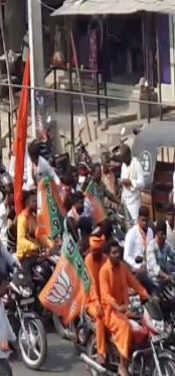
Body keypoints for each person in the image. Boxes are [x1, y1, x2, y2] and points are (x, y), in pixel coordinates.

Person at [100, 239, 150, 376]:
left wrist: (148, 296)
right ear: (108, 254)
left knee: (144, 326)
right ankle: (122, 366)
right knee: (125, 327)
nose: (117, 254)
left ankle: (138, 359)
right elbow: (106, 296)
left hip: (126, 309)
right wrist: (118, 307)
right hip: (110, 311)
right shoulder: (104, 271)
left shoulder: (122, 267)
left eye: (118, 252)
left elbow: (135, 284)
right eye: (114, 252)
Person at [119, 144, 146, 225]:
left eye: (124, 157)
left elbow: (142, 183)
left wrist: (131, 182)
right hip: (126, 201)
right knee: (128, 225)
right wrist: (122, 198)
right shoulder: (123, 166)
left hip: (134, 202)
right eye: (122, 158)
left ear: (128, 154)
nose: (123, 160)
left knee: (136, 225)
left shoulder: (136, 164)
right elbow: (123, 183)